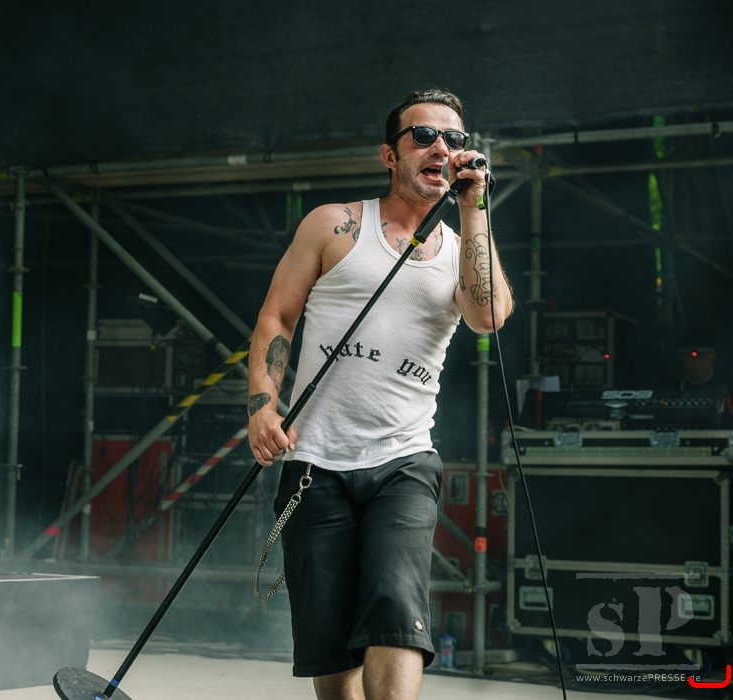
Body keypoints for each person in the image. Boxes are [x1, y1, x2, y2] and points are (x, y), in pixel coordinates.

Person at [247, 89, 514, 700]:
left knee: (396, 604)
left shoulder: (464, 249)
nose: (440, 147)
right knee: (329, 634)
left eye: (453, 138)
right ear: (389, 156)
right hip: (314, 460)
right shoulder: (334, 224)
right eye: (423, 135)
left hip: (404, 460)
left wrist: (473, 208)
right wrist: (262, 404)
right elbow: (277, 317)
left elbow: (488, 317)